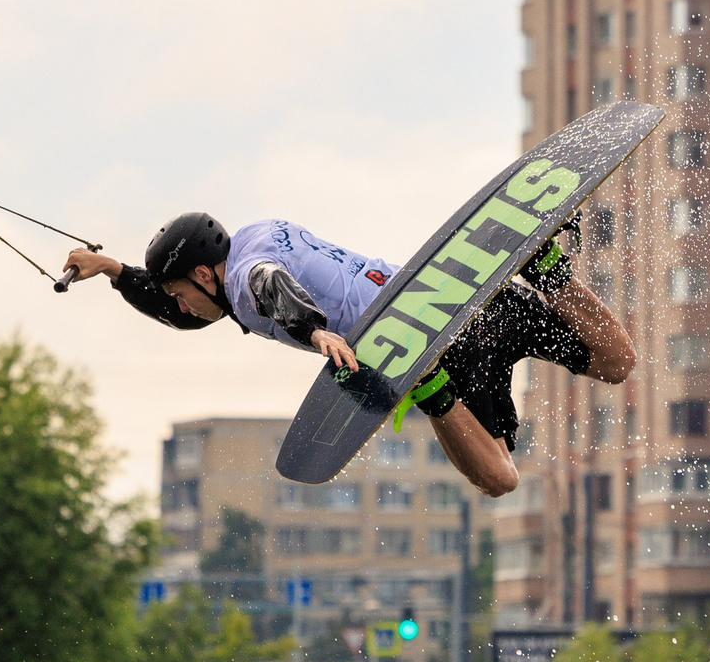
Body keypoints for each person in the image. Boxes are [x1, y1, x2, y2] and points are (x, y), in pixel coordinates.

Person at [65, 213, 634, 497]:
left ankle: (430, 389)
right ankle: (549, 270)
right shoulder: (256, 234)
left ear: (201, 273)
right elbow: (211, 294)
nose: (183, 310)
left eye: (182, 295)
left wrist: (314, 332)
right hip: (461, 296)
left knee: (498, 476)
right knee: (618, 361)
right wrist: (115, 272)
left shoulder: (242, 280)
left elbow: (268, 286)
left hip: (428, 338)